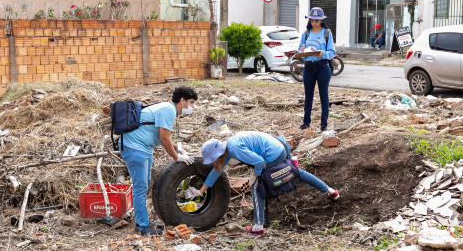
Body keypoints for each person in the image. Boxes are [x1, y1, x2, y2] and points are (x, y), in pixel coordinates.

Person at [187, 131, 339, 236]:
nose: (214, 160)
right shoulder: (228, 147)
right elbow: (216, 171)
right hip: (280, 145)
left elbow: (259, 162)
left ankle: (258, 226)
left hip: (273, 154)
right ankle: (330, 191)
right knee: (298, 173)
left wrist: (254, 176)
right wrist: (201, 191)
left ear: (218, 152)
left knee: (256, 187)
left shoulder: (234, 149)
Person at [121, 86, 198, 236]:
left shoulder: (167, 109)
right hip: (135, 147)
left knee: (145, 184)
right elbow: (163, 139)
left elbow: (163, 137)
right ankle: (143, 227)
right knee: (140, 188)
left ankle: (142, 221)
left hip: (144, 148)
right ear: (182, 101)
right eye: (191, 102)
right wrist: (177, 157)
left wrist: (178, 148)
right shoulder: (168, 110)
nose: (192, 107)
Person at [298, 7, 336, 132]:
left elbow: (332, 52)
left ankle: (323, 124)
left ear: (321, 21)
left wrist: (322, 54)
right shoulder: (306, 33)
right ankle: (306, 123)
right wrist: (302, 51)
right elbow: (299, 50)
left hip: (322, 67)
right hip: (308, 66)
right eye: (312, 20)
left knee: (323, 96)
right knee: (308, 96)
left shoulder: (326, 33)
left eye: (316, 21)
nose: (313, 23)